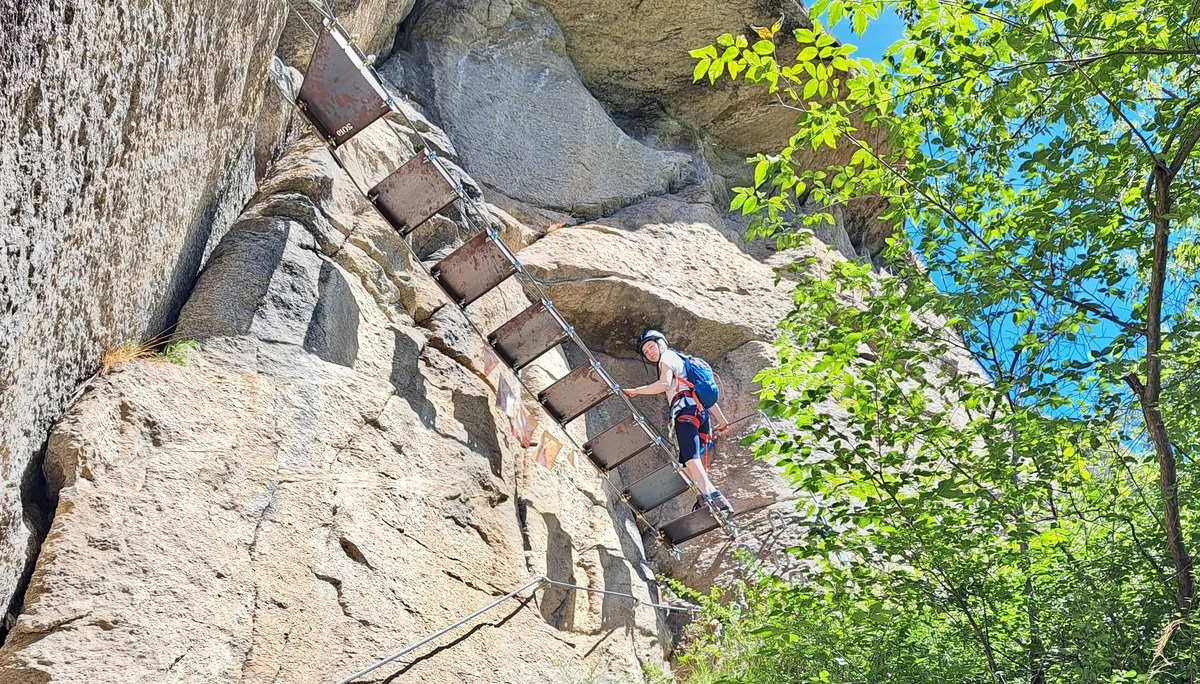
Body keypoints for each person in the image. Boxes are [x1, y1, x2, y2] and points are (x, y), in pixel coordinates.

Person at [622, 330, 734, 514]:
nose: (649, 353)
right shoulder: (686, 362)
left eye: (651, 346)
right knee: (687, 462)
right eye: (646, 352)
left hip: (685, 412)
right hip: (700, 413)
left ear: (661, 343)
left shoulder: (667, 357)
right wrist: (722, 421)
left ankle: (707, 498)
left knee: (690, 458)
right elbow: (707, 398)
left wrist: (636, 390)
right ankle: (716, 499)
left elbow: (664, 384)